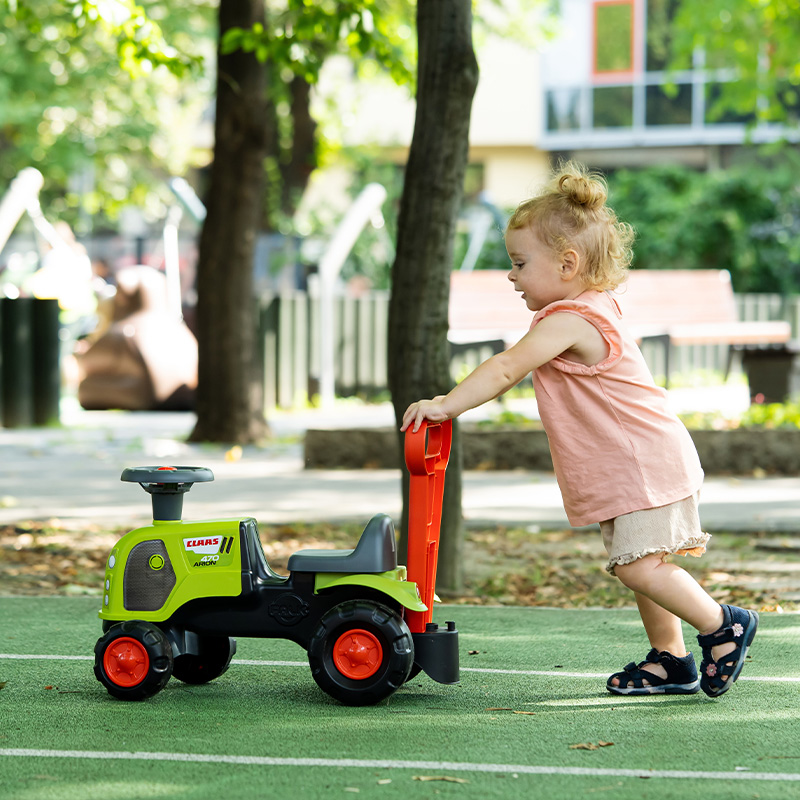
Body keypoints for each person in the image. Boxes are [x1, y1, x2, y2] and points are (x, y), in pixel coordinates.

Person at [401, 161, 758, 698]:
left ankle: (722, 625)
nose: (511, 275)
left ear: (567, 264)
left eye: (520, 263)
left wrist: (447, 404)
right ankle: (671, 660)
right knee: (640, 565)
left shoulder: (569, 319)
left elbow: (504, 367)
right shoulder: (593, 305)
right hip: (634, 462)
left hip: (643, 462)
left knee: (641, 569)